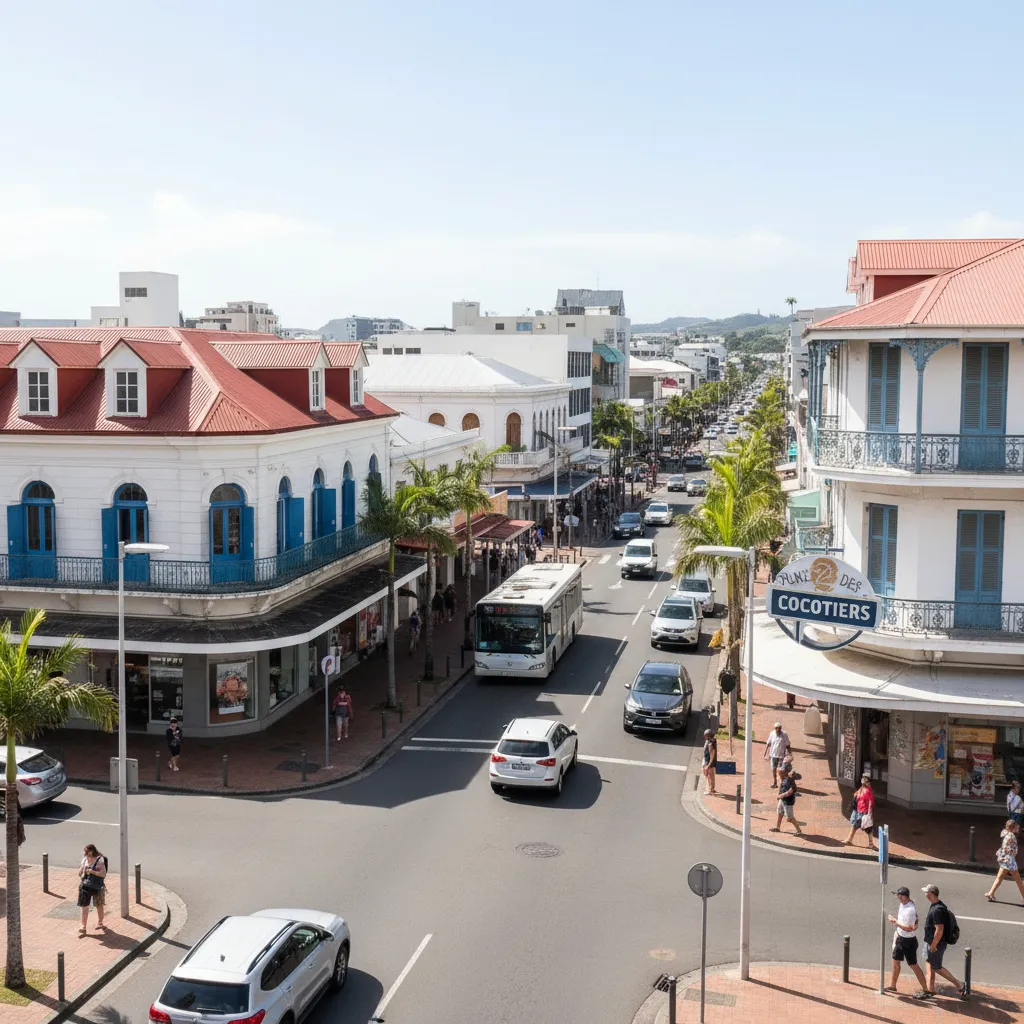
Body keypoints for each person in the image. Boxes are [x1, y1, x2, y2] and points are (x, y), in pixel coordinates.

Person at [919, 884, 968, 1000]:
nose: (925, 894)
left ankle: (960, 985)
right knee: (930, 964)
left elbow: (939, 930)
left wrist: (933, 945)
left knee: (936, 967)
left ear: (930, 894)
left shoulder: (937, 910)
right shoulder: (937, 905)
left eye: (926, 892)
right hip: (931, 942)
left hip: (936, 944)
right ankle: (930, 989)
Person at [886, 886, 929, 996]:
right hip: (900, 938)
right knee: (895, 962)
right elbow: (914, 922)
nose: (898, 898)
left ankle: (926, 989)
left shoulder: (910, 910)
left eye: (900, 896)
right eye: (898, 895)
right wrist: (898, 923)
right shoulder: (904, 904)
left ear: (906, 896)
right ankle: (893, 986)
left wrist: (895, 921)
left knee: (913, 965)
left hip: (908, 940)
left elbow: (909, 928)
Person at [985, 819, 1024, 903]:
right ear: (1013, 828)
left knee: (999, 878)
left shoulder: (1005, 833)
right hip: (1009, 861)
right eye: (1016, 827)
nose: (1017, 828)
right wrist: (1013, 855)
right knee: (1019, 881)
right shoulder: (1011, 836)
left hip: (1003, 859)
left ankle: (991, 893)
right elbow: (1013, 850)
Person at [78, 843, 107, 935]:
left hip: (97, 886)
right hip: (85, 885)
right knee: (84, 906)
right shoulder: (84, 860)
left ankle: (100, 922)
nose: (86, 854)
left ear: (92, 851)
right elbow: (80, 872)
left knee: (99, 905)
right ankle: (83, 926)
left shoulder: (99, 860)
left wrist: (92, 872)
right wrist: (82, 871)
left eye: (87, 852)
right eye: (85, 852)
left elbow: (103, 874)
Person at [843, 774, 877, 850]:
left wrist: (869, 813)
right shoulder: (862, 788)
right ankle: (850, 840)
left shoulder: (868, 791)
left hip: (863, 811)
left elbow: (871, 802)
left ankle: (850, 840)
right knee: (858, 825)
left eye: (865, 779)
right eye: (863, 778)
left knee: (866, 827)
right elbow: (857, 795)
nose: (863, 780)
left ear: (868, 782)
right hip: (859, 810)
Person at [771, 764, 803, 835]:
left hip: (788, 802)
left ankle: (799, 830)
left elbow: (789, 793)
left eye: (782, 772)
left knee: (789, 818)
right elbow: (782, 787)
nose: (780, 774)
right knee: (780, 813)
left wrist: (780, 796)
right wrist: (780, 795)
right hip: (782, 800)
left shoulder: (792, 784)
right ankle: (777, 827)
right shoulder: (785, 779)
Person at [763, 721, 790, 788]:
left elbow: (787, 745)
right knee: (774, 769)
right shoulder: (772, 734)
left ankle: (781, 783)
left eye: (779, 728)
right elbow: (768, 743)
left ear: (781, 728)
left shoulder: (784, 735)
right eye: (777, 729)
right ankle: (775, 782)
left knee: (781, 770)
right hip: (773, 755)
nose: (778, 730)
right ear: (775, 728)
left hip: (781, 756)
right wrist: (765, 753)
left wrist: (789, 754)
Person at [701, 729, 717, 796]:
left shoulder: (710, 744)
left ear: (708, 736)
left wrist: (708, 765)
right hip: (710, 762)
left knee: (709, 776)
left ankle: (709, 790)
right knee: (711, 776)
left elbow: (711, 756)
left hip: (708, 762)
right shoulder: (713, 740)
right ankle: (712, 789)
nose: (704, 737)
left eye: (705, 736)